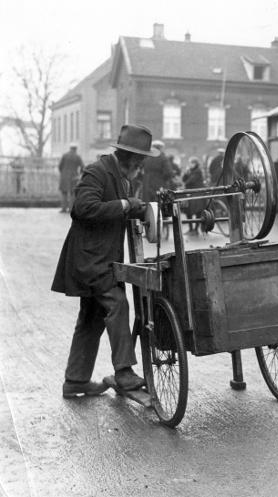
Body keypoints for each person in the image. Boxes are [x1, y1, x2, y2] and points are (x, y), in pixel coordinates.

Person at [52, 124, 159, 397]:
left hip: (102, 258)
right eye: (141, 160)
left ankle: (76, 380)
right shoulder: (97, 171)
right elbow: (84, 209)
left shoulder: (124, 179)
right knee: (117, 304)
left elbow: (117, 211)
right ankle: (124, 373)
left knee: (91, 318)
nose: (142, 165)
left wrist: (143, 211)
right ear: (131, 158)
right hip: (91, 259)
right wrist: (125, 205)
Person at [182, 156, 206, 234]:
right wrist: (185, 174)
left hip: (197, 193)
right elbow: (184, 179)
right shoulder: (190, 171)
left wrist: (185, 183)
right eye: (190, 163)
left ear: (196, 164)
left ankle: (195, 229)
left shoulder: (198, 171)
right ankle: (191, 229)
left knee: (197, 212)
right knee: (188, 211)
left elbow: (190, 181)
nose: (191, 164)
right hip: (191, 193)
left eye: (192, 163)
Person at [58, 144, 85, 213]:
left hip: (64, 176)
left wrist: (63, 173)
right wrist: (79, 174)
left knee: (64, 193)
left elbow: (60, 166)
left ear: (70, 149)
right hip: (74, 177)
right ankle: (71, 209)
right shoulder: (77, 156)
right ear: (76, 149)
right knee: (73, 193)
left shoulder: (65, 155)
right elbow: (82, 166)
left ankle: (63, 208)